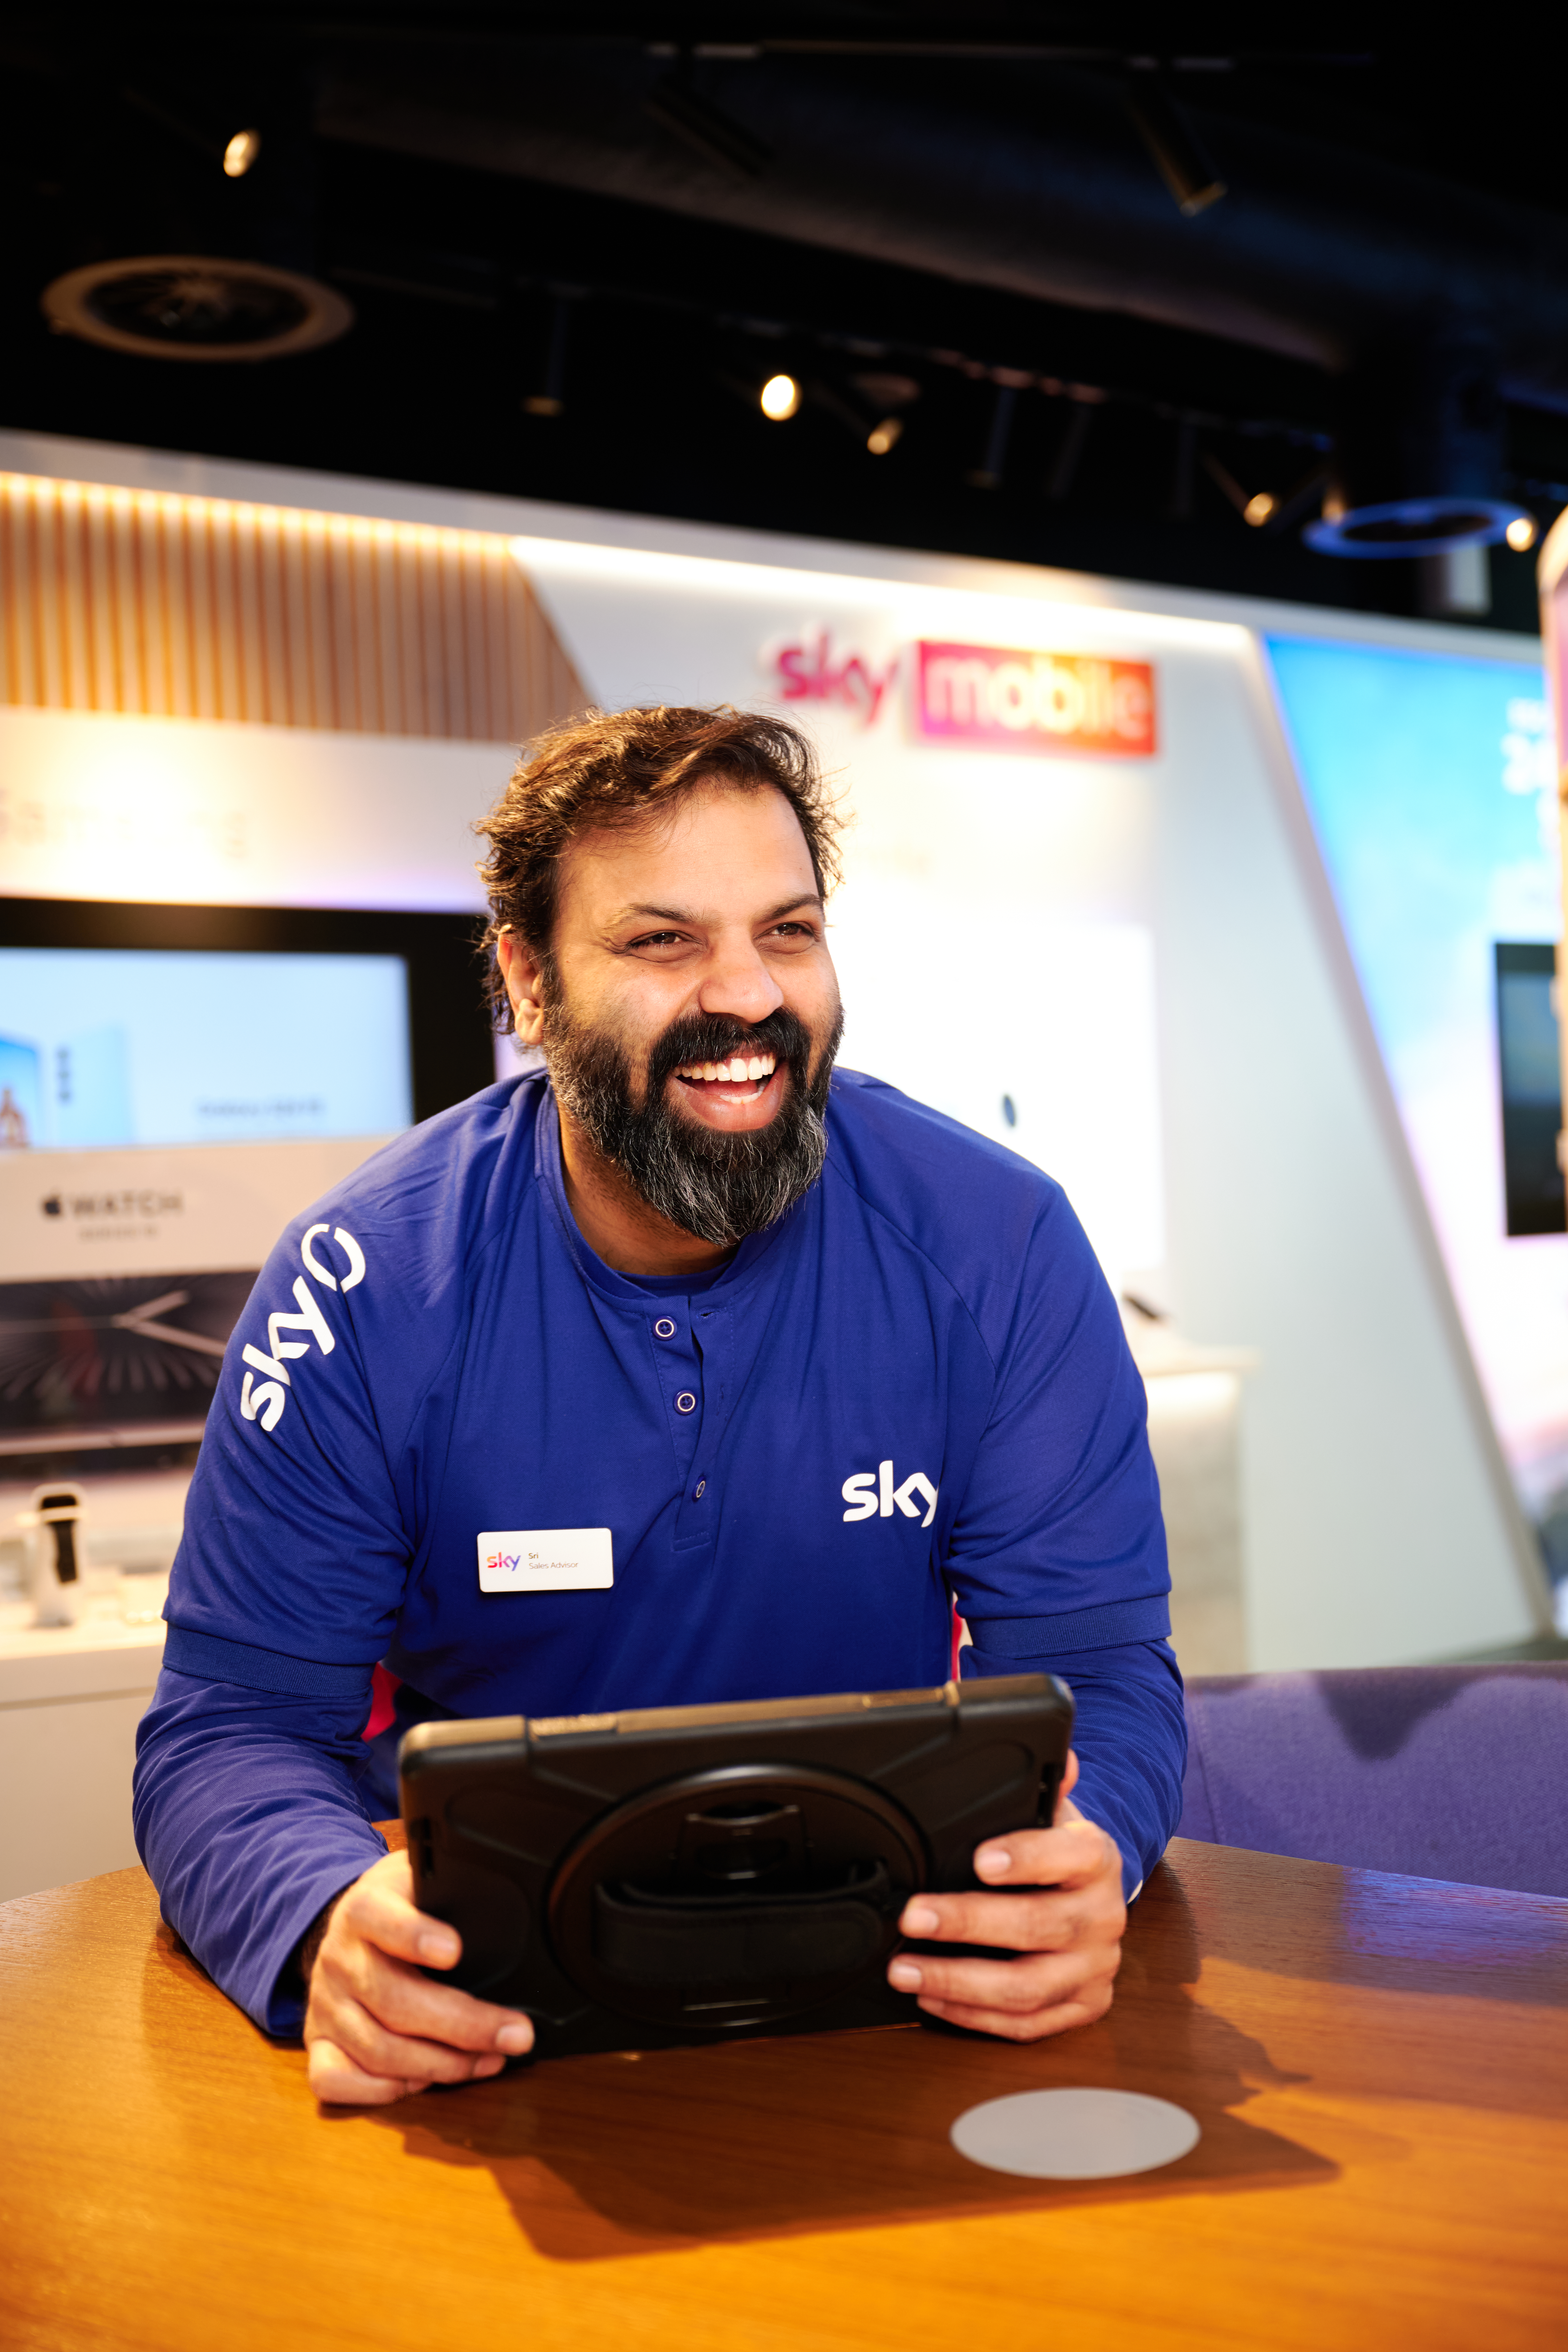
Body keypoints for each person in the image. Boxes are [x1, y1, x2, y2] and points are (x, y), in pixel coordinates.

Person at [134, 705, 1185, 2107]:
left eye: (788, 931)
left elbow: (1105, 1676)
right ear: (523, 976)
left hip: (903, 2001)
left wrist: (1092, 1847)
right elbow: (229, 1728)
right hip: (497, 2030)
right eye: (661, 940)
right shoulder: (362, 1286)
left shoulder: (997, 1242)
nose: (744, 995)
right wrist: (330, 1918)